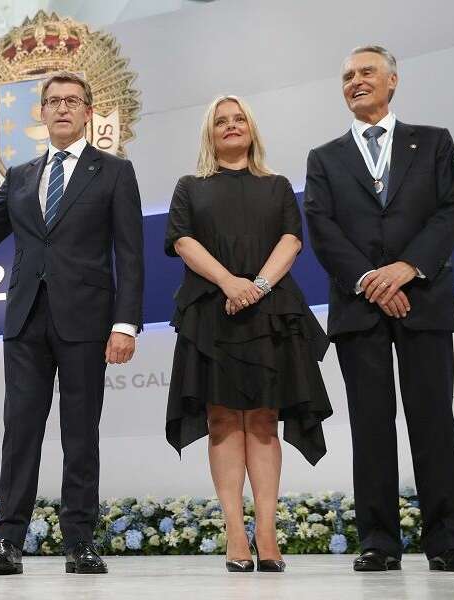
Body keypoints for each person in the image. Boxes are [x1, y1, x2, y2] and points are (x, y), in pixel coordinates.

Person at [0, 71, 143, 575]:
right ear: (41, 113)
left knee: (80, 434)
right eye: (52, 102)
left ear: (88, 112)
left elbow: (131, 255)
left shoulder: (115, 172)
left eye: (72, 100)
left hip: (87, 321)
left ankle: (79, 542)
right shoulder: (21, 175)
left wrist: (126, 323)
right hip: (26, 321)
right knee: (21, 431)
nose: (61, 108)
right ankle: (8, 541)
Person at [304, 45, 454, 573]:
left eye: (367, 72)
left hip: (422, 299)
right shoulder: (324, 157)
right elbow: (322, 228)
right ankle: (379, 540)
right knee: (370, 426)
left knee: (432, 420)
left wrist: (408, 268)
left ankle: (449, 540)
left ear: (392, 81)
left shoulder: (434, 142)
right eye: (348, 75)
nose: (355, 81)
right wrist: (369, 280)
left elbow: (449, 212)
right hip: (359, 308)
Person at [164, 95, 333, 573]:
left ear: (252, 130)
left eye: (240, 119)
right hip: (211, 311)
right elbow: (182, 240)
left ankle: (266, 531)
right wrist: (228, 282)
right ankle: (234, 532)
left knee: (263, 421)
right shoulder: (189, 186)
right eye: (222, 121)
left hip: (270, 309)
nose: (232, 126)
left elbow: (291, 239)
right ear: (210, 132)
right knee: (221, 421)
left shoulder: (277, 185)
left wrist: (256, 286)